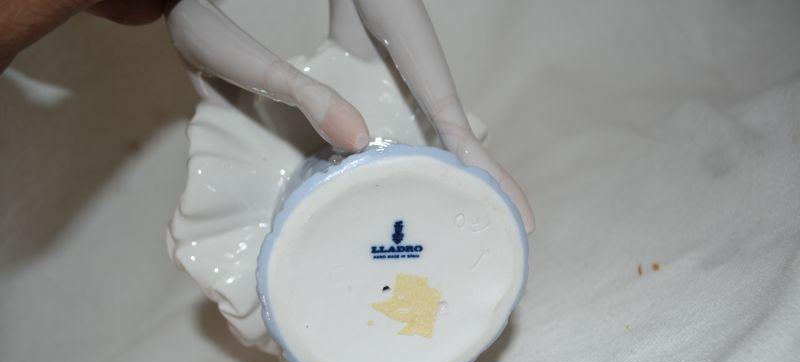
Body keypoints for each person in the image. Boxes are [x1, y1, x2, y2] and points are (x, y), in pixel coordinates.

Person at [1, 0, 534, 232]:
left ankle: (454, 136)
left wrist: (455, 131)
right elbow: (183, 19)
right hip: (273, 146)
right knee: (181, 13)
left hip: (374, 114)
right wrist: (298, 90)